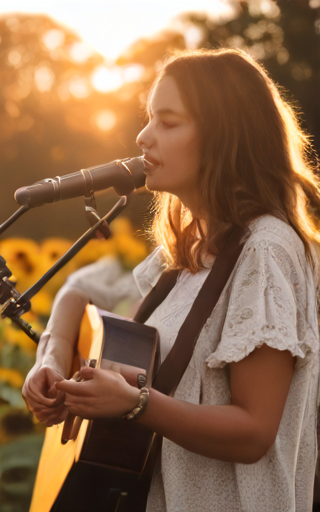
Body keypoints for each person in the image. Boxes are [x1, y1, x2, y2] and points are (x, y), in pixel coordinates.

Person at [22, 48, 320, 512]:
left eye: (168, 121)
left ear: (224, 136)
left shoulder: (265, 249)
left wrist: (134, 404)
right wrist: (53, 359)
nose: (143, 137)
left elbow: (254, 433)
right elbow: (83, 292)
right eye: (148, 119)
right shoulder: (189, 252)